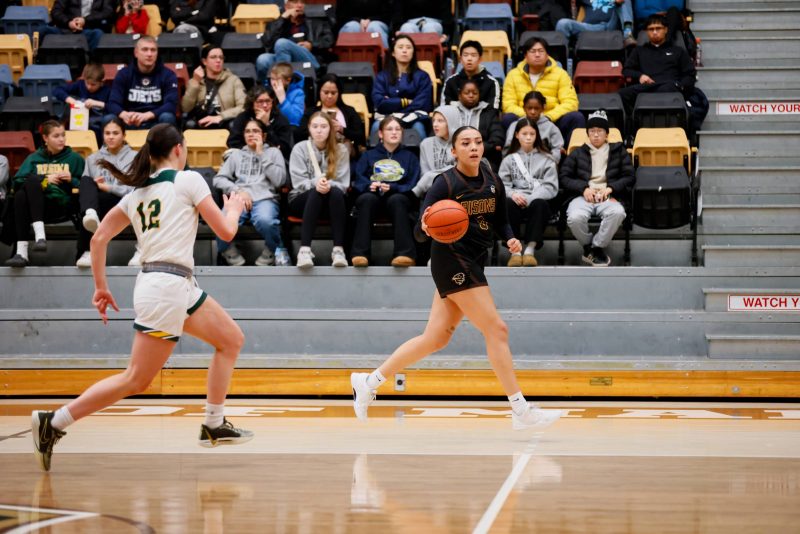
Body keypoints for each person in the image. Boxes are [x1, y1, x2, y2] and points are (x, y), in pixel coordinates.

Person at [31, 124, 253, 473]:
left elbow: (98, 239)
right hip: (167, 285)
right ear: (179, 149)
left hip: (172, 283)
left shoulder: (135, 196)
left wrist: (101, 286)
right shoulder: (189, 181)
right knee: (136, 378)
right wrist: (236, 207)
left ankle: (213, 423)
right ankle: (54, 421)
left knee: (231, 339)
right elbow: (226, 232)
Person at [350, 126, 563, 431]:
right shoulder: (444, 182)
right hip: (450, 259)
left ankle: (368, 382)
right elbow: (419, 231)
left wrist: (510, 239)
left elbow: (500, 219)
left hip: (475, 259)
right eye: (465, 143)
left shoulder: (491, 178)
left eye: (478, 141)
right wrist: (425, 226)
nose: (473, 147)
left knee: (436, 338)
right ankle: (520, 409)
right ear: (454, 151)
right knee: (497, 329)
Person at [5, 121, 85, 268]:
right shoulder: (34, 158)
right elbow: (17, 182)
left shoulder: (75, 159)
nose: (61, 139)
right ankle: (31, 244)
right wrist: (46, 180)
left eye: (63, 135)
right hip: (36, 208)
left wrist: (71, 179)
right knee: (23, 192)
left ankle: (22, 250)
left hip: (60, 205)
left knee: (27, 187)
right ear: (45, 138)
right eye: (56, 136)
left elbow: (87, 186)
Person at [559, 110, 634, 266]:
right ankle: (588, 247)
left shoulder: (618, 151)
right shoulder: (578, 153)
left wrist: (610, 188)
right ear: (587, 134)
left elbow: (629, 176)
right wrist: (584, 189)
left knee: (618, 212)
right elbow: (564, 177)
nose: (596, 135)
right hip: (582, 196)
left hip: (607, 195)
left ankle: (596, 247)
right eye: (592, 131)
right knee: (574, 218)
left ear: (607, 134)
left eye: (600, 131)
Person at [214, 119, 290, 267]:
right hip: (239, 198)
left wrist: (261, 154)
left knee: (265, 220)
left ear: (264, 135)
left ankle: (271, 251)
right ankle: (228, 251)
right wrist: (238, 191)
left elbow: (279, 181)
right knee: (221, 220)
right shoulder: (236, 155)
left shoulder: (274, 153)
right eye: (248, 131)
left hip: (265, 198)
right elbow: (218, 179)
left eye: (256, 131)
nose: (251, 134)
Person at [351, 116, 420, 268]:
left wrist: (395, 188)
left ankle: (405, 254)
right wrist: (369, 185)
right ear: (381, 134)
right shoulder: (368, 155)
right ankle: (360, 253)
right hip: (374, 197)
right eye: (389, 129)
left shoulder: (410, 157)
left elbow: (413, 184)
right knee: (366, 199)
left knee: (397, 200)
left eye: (398, 129)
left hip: (398, 199)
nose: (394, 132)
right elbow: (358, 180)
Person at [288, 112, 350, 268]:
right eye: (315, 126)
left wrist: (329, 185)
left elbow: (343, 183)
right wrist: (316, 183)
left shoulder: (341, 149)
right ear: (309, 128)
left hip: (332, 201)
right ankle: (304, 251)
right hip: (301, 199)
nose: (319, 130)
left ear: (330, 129)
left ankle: (338, 250)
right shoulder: (299, 148)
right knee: (317, 191)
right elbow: (297, 182)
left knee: (335, 192)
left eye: (323, 126)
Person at [76, 118, 138, 269]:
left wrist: (108, 187)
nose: (111, 136)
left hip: (128, 201)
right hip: (101, 203)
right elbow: (87, 188)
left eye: (115, 133)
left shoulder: (136, 157)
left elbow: (136, 188)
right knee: (85, 182)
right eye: (107, 133)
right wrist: (97, 186)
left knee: (94, 201)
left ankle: (87, 249)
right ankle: (88, 247)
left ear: (124, 135)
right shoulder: (92, 158)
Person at [502, 37, 585, 145]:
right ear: (525, 56)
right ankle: (514, 155)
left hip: (552, 120)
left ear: (547, 55)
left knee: (576, 117)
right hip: (523, 120)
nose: (537, 54)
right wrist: (530, 115)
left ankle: (570, 156)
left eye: (541, 51)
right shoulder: (513, 75)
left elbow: (571, 103)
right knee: (508, 118)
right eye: (533, 51)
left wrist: (548, 117)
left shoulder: (560, 74)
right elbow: (508, 105)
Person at [498, 119, 558, 267]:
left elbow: (550, 186)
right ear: (517, 135)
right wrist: (513, 194)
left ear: (537, 135)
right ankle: (515, 253)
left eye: (532, 134)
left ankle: (530, 251)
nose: (528, 137)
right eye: (524, 133)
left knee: (540, 204)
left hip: (536, 199)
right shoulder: (508, 160)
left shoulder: (547, 159)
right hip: (515, 199)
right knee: (507, 204)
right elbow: (502, 185)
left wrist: (531, 198)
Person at [618, 14, 696, 115]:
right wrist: (640, 76)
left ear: (666, 30)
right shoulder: (639, 51)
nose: (654, 32)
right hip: (647, 87)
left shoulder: (678, 51)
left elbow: (690, 74)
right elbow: (626, 70)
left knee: (667, 89)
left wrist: (680, 85)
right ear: (646, 32)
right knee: (621, 95)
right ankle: (635, 120)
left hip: (669, 87)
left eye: (658, 28)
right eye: (651, 29)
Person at [104, 36, 179, 129]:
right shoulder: (124, 74)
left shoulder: (168, 75)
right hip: (130, 120)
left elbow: (171, 104)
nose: (149, 54)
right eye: (145, 50)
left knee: (168, 117)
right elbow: (112, 103)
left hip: (155, 121)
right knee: (109, 118)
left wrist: (148, 115)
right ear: (136, 53)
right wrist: (123, 114)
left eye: (153, 50)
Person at [255, 0, 334, 83]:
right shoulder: (277, 23)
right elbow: (267, 42)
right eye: (295, 2)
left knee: (282, 43)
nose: (299, 5)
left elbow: (329, 41)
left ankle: (284, 85)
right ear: (286, 6)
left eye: (302, 2)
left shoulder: (318, 23)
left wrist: (311, 45)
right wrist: (282, 18)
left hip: (309, 60)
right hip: (282, 59)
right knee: (262, 60)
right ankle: (267, 91)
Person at [372, 34, 433, 140]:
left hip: (414, 119)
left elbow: (423, 104)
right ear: (393, 53)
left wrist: (391, 102)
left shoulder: (423, 76)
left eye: (408, 48)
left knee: (418, 129)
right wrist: (405, 102)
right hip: (386, 118)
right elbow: (379, 102)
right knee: (376, 127)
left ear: (413, 52)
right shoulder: (382, 76)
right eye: (400, 47)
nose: (405, 51)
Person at [296, 73, 366, 159]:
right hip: (317, 150)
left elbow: (360, 136)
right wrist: (319, 129)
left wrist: (342, 129)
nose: (329, 96)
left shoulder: (349, 111)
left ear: (339, 93)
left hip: (343, 150)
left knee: (345, 146)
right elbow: (299, 134)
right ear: (319, 92)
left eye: (333, 93)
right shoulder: (310, 112)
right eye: (326, 92)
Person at [181, 47, 246, 130]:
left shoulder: (233, 80)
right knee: (189, 124)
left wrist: (221, 117)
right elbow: (186, 108)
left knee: (233, 125)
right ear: (204, 61)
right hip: (201, 122)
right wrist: (195, 83)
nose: (218, 60)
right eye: (213, 57)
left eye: (221, 57)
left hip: (224, 121)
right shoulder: (196, 81)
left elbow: (243, 107)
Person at [227, 86, 293, 161]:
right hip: (246, 158)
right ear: (252, 103)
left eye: (268, 101)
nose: (265, 105)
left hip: (272, 160)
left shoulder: (281, 120)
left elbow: (283, 149)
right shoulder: (243, 118)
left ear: (272, 102)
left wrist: (267, 125)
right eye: (260, 102)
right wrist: (251, 151)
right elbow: (232, 142)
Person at [450, 79, 505, 169]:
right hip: (453, 158)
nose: (471, 95)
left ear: (479, 95)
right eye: (467, 93)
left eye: (474, 93)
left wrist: (473, 148)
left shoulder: (488, 112)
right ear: (459, 96)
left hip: (483, 158)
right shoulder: (450, 111)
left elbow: (497, 141)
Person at [52, 63, 110, 144]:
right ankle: (61, 128)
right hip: (78, 121)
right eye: (87, 83)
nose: (89, 87)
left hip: (97, 126)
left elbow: (113, 106)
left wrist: (96, 103)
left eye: (93, 84)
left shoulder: (107, 90)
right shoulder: (80, 84)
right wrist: (69, 99)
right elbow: (57, 90)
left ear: (101, 82)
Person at [440, 40, 501, 111]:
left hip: (482, 121)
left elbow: (493, 110)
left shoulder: (491, 83)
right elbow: (444, 110)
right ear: (460, 59)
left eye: (473, 55)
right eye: (465, 55)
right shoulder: (450, 82)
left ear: (480, 59)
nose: (469, 59)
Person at [503, 91, 564, 163]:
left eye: (536, 108)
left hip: (543, 166)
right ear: (524, 108)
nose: (533, 112)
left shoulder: (551, 127)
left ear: (543, 108)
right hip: (519, 165)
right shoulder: (515, 126)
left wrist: (548, 162)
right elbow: (507, 149)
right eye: (529, 108)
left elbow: (557, 149)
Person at [415, 106, 459, 199]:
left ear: (451, 122)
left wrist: (429, 177)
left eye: (440, 121)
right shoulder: (425, 144)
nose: (435, 124)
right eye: (434, 120)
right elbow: (424, 174)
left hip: (457, 192)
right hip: (432, 192)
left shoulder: (462, 143)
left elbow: (458, 174)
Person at [555, 0, 637, 48]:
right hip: (589, 28)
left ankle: (628, 35)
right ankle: (560, 61)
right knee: (563, 23)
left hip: (610, 25)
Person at [43, 0, 114, 50]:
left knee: (98, 34)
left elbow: (108, 12)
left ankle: (89, 65)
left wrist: (85, 20)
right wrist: (69, 22)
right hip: (66, 29)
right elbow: (56, 11)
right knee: (42, 30)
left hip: (88, 30)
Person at [268, 63, 305, 128]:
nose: (273, 83)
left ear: (288, 80)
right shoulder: (268, 92)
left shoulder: (298, 93)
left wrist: (283, 100)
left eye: (277, 79)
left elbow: (295, 119)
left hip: (288, 126)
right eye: (272, 79)